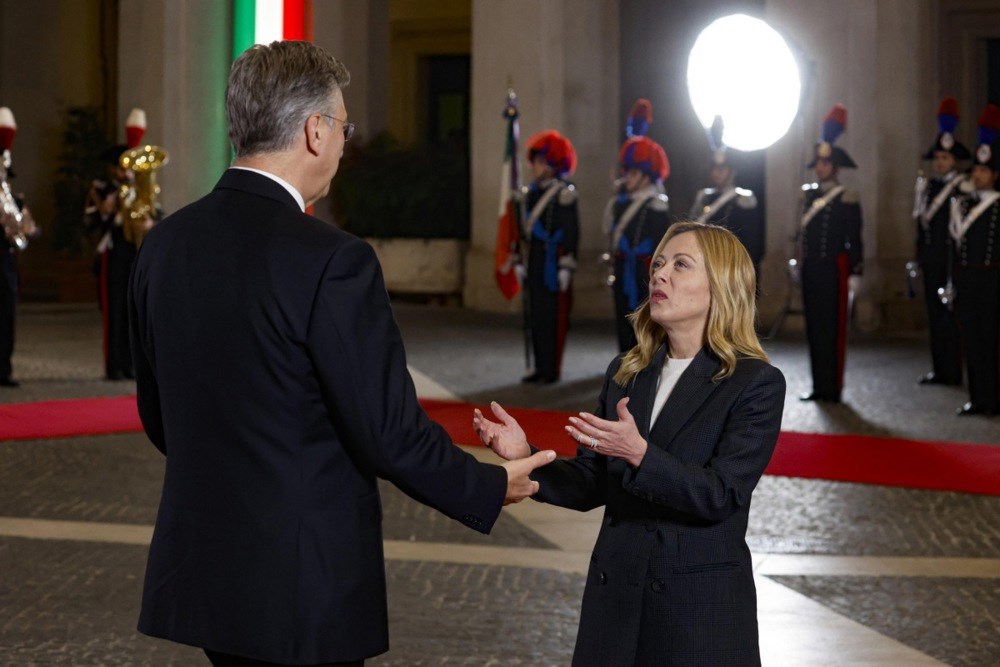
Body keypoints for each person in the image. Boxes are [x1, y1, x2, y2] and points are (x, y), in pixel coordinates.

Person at [128, 41, 554, 667]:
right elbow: (387, 429)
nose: (344, 143)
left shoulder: (163, 246)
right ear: (315, 131)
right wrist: (487, 485)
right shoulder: (333, 260)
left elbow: (159, 414)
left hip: (208, 574)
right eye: (343, 127)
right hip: (303, 582)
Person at [475, 221, 785, 666]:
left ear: (722, 284)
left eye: (681, 265)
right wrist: (527, 457)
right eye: (658, 264)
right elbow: (593, 480)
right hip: (615, 602)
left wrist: (639, 454)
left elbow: (721, 495)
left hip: (695, 614)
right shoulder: (627, 371)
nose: (660, 274)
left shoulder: (754, 382)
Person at [798, 104, 863, 404]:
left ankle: (832, 388)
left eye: (825, 163)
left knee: (832, 329)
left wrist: (856, 271)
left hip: (835, 270)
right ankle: (818, 385)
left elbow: (854, 237)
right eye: (818, 163)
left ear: (835, 167)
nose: (820, 168)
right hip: (812, 268)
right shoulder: (809, 195)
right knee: (814, 328)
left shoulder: (847, 197)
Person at [913, 97, 969, 387]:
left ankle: (953, 371)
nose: (940, 162)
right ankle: (938, 369)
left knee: (952, 318)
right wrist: (919, 256)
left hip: (952, 261)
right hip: (932, 259)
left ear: (954, 160)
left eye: (945, 158)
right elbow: (921, 225)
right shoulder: (928, 187)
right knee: (934, 316)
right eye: (937, 157)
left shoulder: (962, 188)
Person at [515, 129, 579, 384]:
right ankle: (539, 367)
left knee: (553, 317)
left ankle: (551, 370)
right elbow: (523, 232)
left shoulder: (564, 193)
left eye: (541, 161)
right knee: (536, 315)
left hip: (553, 262)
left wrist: (566, 266)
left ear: (554, 165)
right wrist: (519, 260)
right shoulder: (531, 193)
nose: (535, 166)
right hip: (535, 259)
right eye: (536, 161)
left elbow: (571, 231)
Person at [949, 103, 1000, 417]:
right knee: (971, 338)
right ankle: (977, 397)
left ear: (994, 175)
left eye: (984, 171)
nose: (978, 176)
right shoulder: (964, 206)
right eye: (976, 171)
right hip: (968, 279)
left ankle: (993, 398)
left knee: (991, 340)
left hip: (992, 280)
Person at [604, 117, 670, 353]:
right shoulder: (620, 203)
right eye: (627, 172)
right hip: (623, 268)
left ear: (646, 176)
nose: (627, 178)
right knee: (622, 320)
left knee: (644, 325)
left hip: (644, 272)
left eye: (632, 173)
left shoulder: (655, 205)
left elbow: (663, 247)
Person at [689, 115, 764, 283]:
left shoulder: (743, 199)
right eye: (714, 168)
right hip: (705, 267)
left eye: (722, 169)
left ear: (732, 172)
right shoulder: (704, 197)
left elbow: (750, 244)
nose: (716, 173)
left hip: (729, 269)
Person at [85, 141, 136, 380]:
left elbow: (155, 215)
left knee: (132, 312)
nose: (126, 174)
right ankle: (114, 365)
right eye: (122, 168)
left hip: (134, 253)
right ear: (113, 169)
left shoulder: (138, 188)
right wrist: (106, 211)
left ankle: (130, 364)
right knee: (114, 311)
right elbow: (89, 223)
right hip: (112, 254)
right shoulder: (101, 190)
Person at [0, 106, 39, 388]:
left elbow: (32, 229)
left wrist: (28, 228)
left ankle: (4, 369)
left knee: (7, 317)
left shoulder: (13, 199)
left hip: (7, 262)